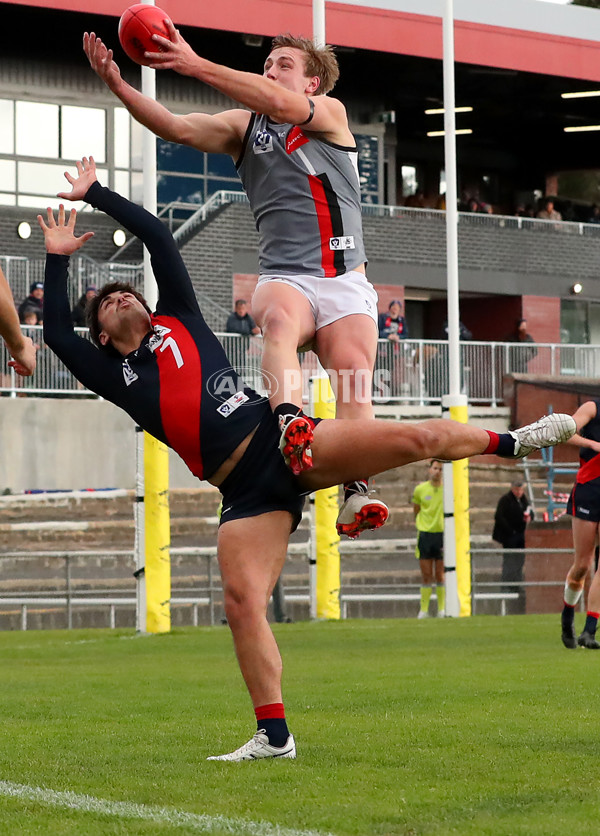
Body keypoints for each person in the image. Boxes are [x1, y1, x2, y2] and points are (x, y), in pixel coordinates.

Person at [41, 158, 576, 760]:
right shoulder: (117, 374)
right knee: (242, 602)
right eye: (106, 302)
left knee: (413, 441)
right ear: (106, 337)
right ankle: (274, 736)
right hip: (243, 494)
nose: (116, 297)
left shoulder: (180, 317)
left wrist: (98, 193)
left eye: (122, 290)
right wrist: (57, 255)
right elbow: (58, 336)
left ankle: (514, 442)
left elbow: (160, 235)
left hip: (282, 443)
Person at [83, 26, 387, 540]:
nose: (271, 72)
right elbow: (176, 128)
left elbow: (278, 102)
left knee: (354, 377)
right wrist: (120, 86)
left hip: (343, 279)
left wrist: (193, 63)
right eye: (268, 65)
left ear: (312, 83)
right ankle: (292, 423)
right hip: (285, 276)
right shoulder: (245, 128)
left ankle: (356, 486)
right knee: (280, 322)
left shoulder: (328, 115)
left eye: (283, 65)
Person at [561, 400, 600, 649]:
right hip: (588, 489)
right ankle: (567, 615)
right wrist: (593, 444)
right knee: (582, 565)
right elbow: (566, 433)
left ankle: (589, 630)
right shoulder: (593, 407)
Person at [492, 478, 534, 614]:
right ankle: (506, 585)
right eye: (517, 489)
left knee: (519, 560)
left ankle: (516, 583)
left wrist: (529, 517)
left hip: (520, 535)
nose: (519, 492)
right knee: (509, 559)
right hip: (509, 535)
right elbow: (499, 516)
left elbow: (530, 512)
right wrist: (510, 530)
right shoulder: (505, 500)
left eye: (521, 489)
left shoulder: (524, 501)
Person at [412, 460, 445, 619]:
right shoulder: (420, 489)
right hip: (425, 534)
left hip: (442, 535)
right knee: (426, 575)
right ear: (430, 470)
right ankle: (424, 610)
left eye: (440, 469)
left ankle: (442, 609)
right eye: (435, 468)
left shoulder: (448, 490)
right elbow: (416, 510)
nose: (437, 471)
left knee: (440, 574)